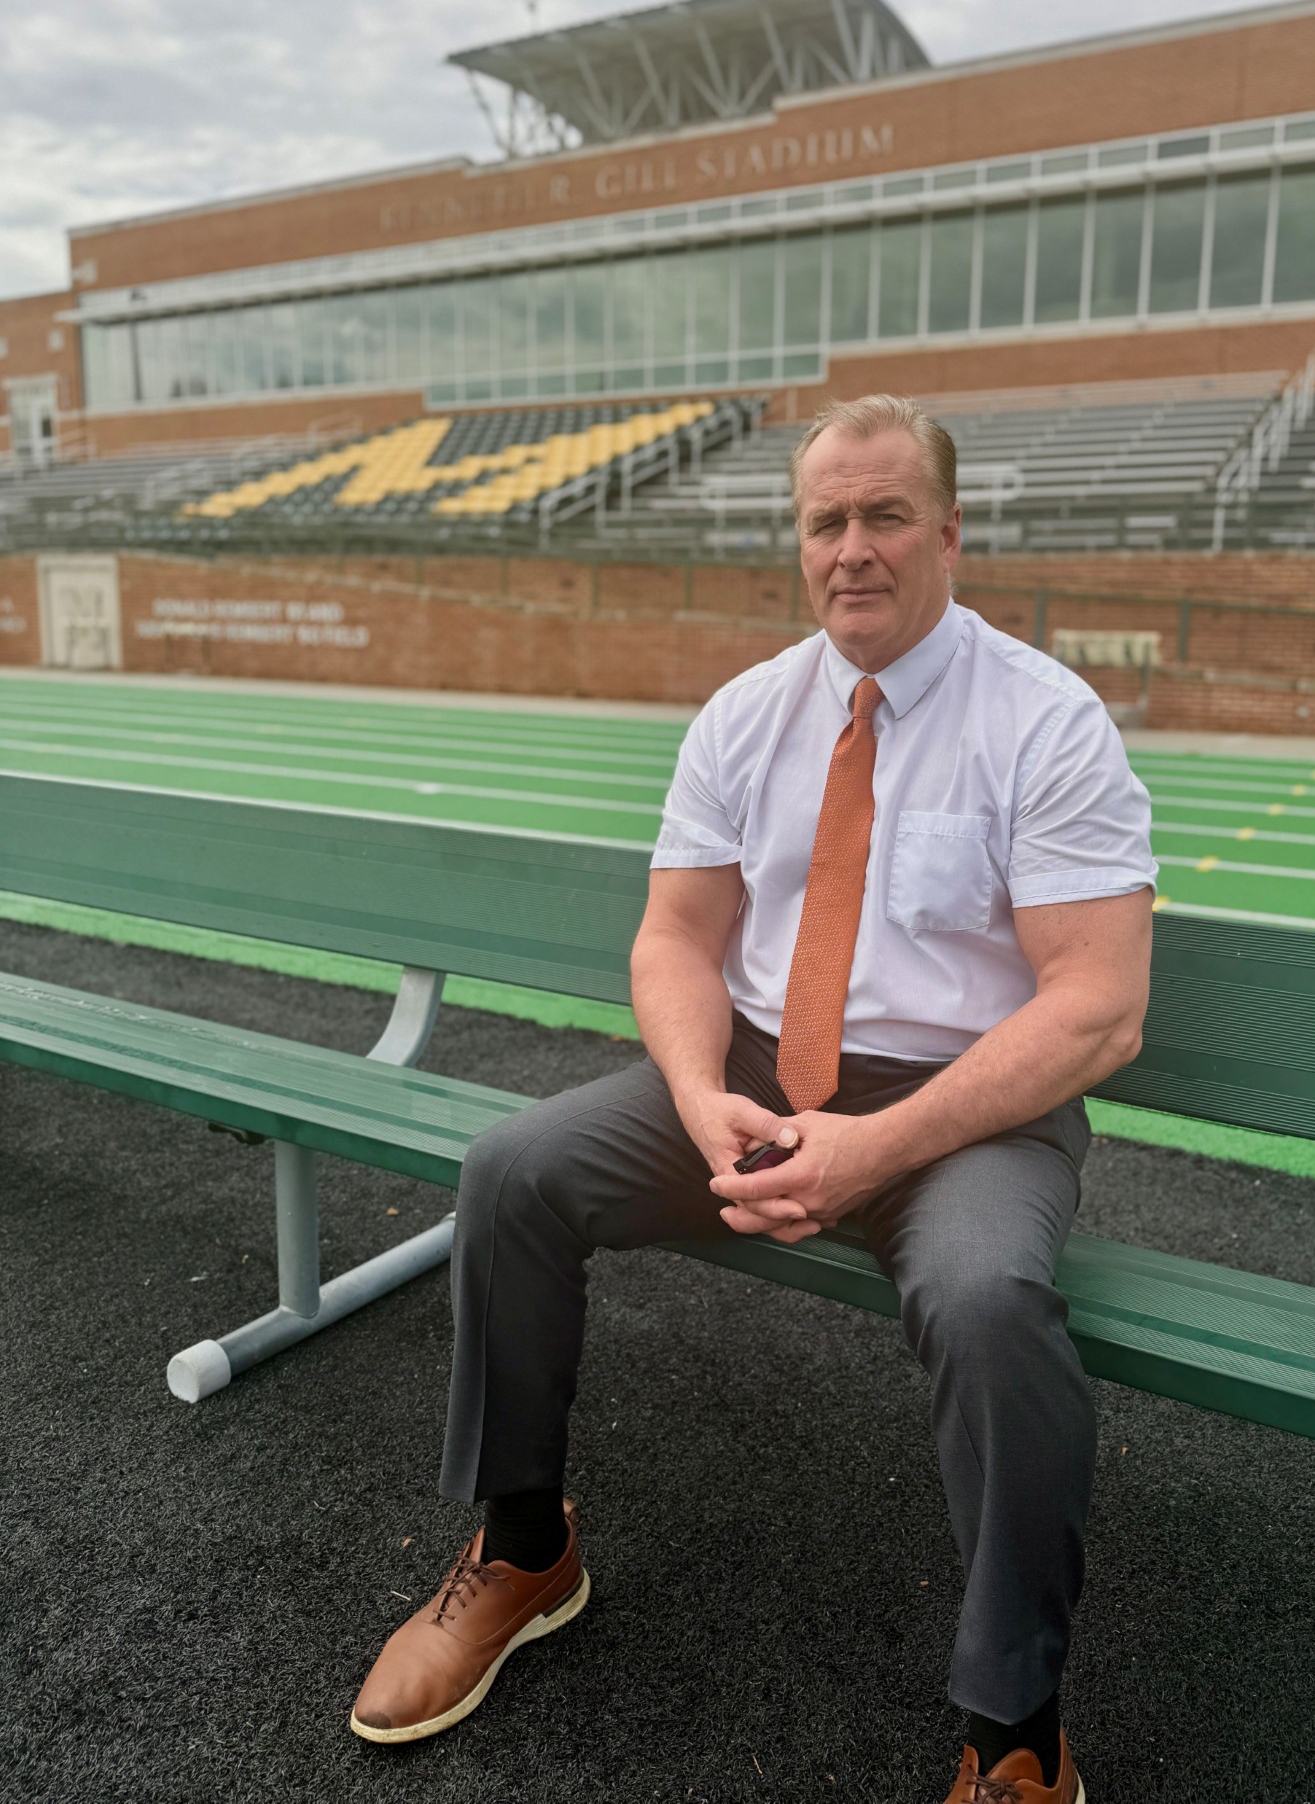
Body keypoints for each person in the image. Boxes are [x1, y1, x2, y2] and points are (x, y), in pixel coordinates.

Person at [350, 393, 1156, 1804]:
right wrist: (691, 1089)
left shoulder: (1044, 722)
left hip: (962, 1113)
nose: (852, 548)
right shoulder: (747, 713)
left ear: (948, 531)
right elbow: (675, 938)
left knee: (986, 1307)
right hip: (753, 1080)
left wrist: (878, 1146)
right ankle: (527, 1545)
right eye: (824, 521)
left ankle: (1013, 1729)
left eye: (884, 515)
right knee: (514, 1171)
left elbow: (1095, 1004)